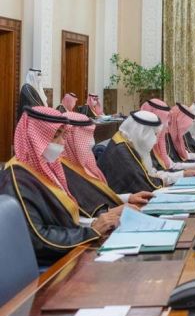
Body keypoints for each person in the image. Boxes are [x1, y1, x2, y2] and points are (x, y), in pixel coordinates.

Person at [0, 107, 122, 265]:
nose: (62, 142)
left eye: (63, 135)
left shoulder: (47, 168)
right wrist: (90, 232)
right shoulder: (18, 178)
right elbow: (38, 238)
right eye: (55, 136)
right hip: (49, 265)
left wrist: (94, 225)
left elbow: (63, 219)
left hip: (68, 252)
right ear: (33, 137)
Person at [61, 112, 153, 217]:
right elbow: (73, 214)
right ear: (70, 138)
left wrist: (129, 198)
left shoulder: (84, 163)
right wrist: (109, 212)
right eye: (84, 136)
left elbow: (97, 196)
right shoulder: (63, 170)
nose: (91, 142)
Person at [97, 111, 169, 193]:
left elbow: (147, 173)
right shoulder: (122, 151)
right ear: (143, 133)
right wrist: (169, 178)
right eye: (154, 134)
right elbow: (144, 185)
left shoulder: (130, 142)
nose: (155, 140)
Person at [140, 99, 195, 175]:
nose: (167, 125)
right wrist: (189, 171)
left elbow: (171, 165)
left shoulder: (168, 138)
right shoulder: (143, 146)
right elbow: (153, 176)